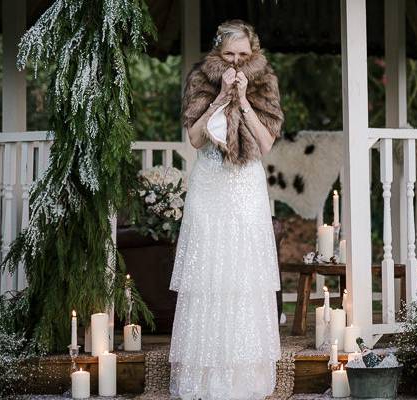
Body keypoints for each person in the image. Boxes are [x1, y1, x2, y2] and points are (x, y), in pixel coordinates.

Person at [168, 19, 284, 400]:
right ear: (218, 51)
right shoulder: (202, 77)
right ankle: (206, 377)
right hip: (211, 184)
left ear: (254, 54)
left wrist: (245, 100)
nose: (235, 62)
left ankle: (243, 376)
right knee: (208, 271)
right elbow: (196, 138)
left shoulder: (266, 81)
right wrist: (220, 97)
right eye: (229, 54)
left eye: (243, 55)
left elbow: (266, 144)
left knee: (244, 272)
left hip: (246, 184)